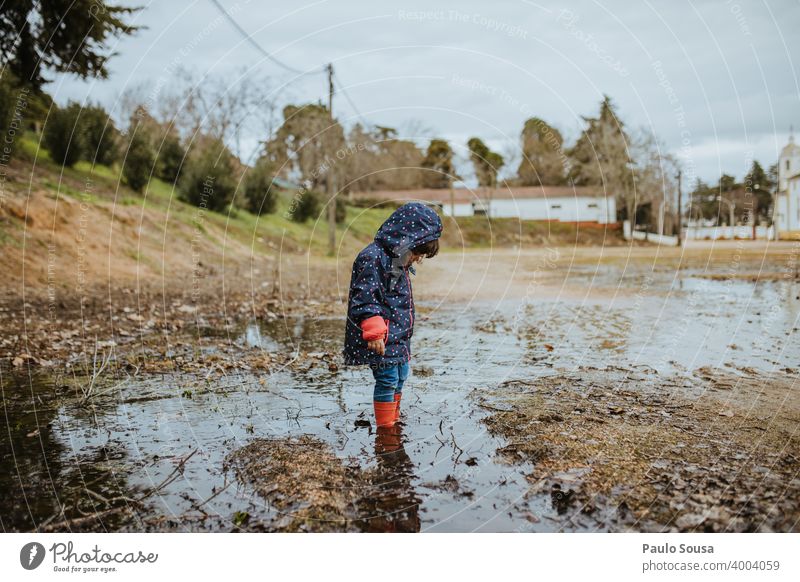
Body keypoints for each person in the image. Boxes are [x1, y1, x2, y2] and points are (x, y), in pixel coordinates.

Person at [343, 202, 442, 427]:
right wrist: (374, 330)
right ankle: (386, 429)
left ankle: (393, 419)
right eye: (417, 252)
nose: (418, 258)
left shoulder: (397, 260)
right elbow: (365, 296)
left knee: (400, 376)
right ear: (405, 239)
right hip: (381, 338)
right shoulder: (373, 257)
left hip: (398, 337)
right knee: (387, 379)